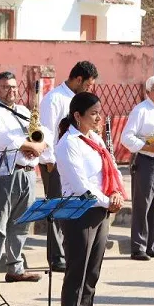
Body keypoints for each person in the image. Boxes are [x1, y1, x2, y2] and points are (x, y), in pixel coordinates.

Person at [53, 91, 125, 306]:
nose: (98, 117)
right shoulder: (68, 143)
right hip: (79, 212)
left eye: (99, 112)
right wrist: (108, 201)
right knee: (77, 273)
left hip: (101, 210)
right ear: (77, 116)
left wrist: (116, 193)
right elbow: (82, 185)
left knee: (92, 274)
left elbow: (113, 168)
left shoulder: (94, 139)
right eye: (93, 113)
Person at [0, 72, 46, 287]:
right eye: (6, 87)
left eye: (14, 87)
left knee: (22, 222)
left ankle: (15, 267)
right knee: (0, 222)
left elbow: (42, 133)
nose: (11, 91)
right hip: (4, 173)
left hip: (27, 172)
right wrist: (31, 146)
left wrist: (40, 145)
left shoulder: (25, 111)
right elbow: (4, 138)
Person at [39, 61, 99, 272]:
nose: (90, 89)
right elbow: (47, 132)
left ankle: (69, 249)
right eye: (89, 85)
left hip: (78, 162)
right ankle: (56, 256)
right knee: (57, 207)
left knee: (73, 206)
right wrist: (49, 161)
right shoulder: (55, 99)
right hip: (55, 162)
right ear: (78, 79)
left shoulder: (79, 100)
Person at [120, 76, 154, 261]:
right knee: (143, 206)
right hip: (147, 161)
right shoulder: (141, 110)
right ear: (148, 91)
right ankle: (138, 246)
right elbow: (126, 137)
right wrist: (146, 146)